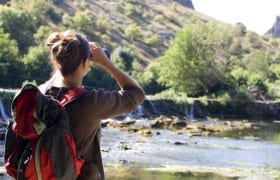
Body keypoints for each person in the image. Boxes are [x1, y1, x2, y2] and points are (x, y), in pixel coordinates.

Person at [39, 30, 145, 180]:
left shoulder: (39, 93)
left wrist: (65, 59)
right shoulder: (91, 101)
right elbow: (137, 95)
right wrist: (106, 63)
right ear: (85, 64)